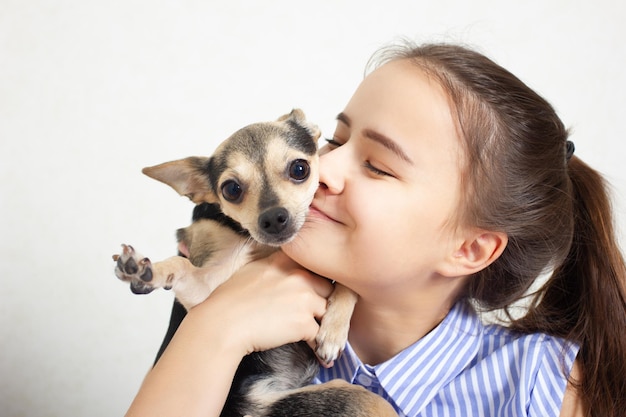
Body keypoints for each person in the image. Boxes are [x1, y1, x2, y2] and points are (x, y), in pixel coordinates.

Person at [125, 42, 626, 417]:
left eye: (378, 165)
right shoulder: (232, 320)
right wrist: (215, 328)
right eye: (337, 141)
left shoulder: (546, 387)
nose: (325, 170)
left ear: (470, 247)